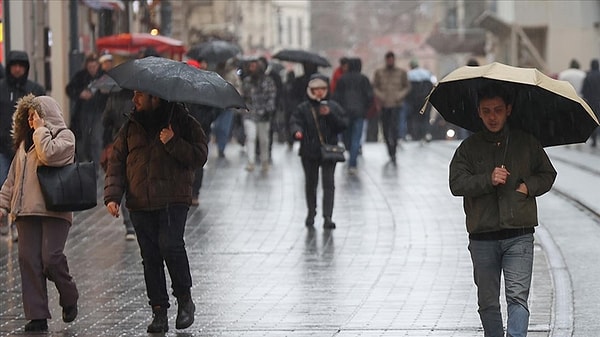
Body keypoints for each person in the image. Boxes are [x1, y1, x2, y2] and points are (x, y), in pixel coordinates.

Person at [449, 82, 557, 337]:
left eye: (498, 110)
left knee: (517, 297)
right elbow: (456, 183)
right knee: (487, 302)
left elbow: (547, 174)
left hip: (518, 234)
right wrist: (488, 178)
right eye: (486, 111)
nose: (492, 117)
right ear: (478, 112)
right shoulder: (468, 148)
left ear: (508, 109)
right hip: (482, 235)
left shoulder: (526, 142)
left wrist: (527, 187)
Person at [104, 90, 208, 333]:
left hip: (173, 198)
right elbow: (117, 161)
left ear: (156, 98)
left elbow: (199, 155)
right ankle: (159, 310)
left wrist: (173, 141)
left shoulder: (182, 120)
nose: (134, 99)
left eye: (140, 95)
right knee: (150, 257)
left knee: (171, 246)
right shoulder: (131, 125)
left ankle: (184, 300)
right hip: (140, 201)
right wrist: (112, 196)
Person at [0, 94, 79, 332]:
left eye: (36, 115)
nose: (32, 120)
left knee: (51, 259)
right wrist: (3, 205)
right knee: (29, 262)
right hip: (26, 212)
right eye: (29, 117)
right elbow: (12, 180)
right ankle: (37, 315)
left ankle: (69, 296)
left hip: (54, 210)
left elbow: (49, 155)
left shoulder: (65, 137)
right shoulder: (24, 145)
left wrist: (41, 131)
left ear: (47, 116)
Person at [289, 74, 348, 229]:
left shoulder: (333, 106)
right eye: (316, 89)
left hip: (329, 151)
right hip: (309, 151)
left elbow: (343, 124)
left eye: (322, 89)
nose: (319, 92)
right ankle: (311, 211)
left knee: (329, 184)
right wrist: (297, 132)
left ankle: (327, 216)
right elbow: (295, 121)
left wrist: (330, 115)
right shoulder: (303, 108)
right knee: (311, 183)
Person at [0, 50, 45, 240]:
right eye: (14, 65)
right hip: (2, 147)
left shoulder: (34, 89)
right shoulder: (1, 89)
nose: (17, 69)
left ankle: (18, 222)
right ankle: (3, 217)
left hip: (27, 148)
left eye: (21, 66)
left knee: (25, 187)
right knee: (4, 183)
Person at [101, 88, 136, 240]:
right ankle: (133, 222)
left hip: (119, 141)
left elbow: (105, 121)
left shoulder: (114, 97)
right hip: (136, 145)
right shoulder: (146, 96)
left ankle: (129, 224)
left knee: (124, 180)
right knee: (134, 181)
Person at [332, 57, 373, 174]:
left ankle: (351, 154)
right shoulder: (364, 79)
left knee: (347, 137)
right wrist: (365, 108)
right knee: (356, 137)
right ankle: (352, 163)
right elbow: (370, 96)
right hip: (359, 113)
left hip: (345, 113)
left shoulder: (342, 79)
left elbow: (336, 96)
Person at [65, 53, 105, 164]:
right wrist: (80, 94)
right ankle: (83, 164)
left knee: (96, 140)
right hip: (82, 113)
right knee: (83, 140)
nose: (92, 69)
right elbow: (69, 89)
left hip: (99, 112)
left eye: (94, 66)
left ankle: (95, 166)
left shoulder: (104, 77)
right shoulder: (80, 76)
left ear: (98, 65)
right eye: (90, 66)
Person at [372, 51, 410, 164]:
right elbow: (374, 86)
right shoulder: (379, 73)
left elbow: (407, 86)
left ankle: (394, 151)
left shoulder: (401, 73)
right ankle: (389, 149)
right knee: (385, 129)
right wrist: (381, 96)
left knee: (395, 129)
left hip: (397, 105)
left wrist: (400, 95)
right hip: (384, 105)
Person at [241, 58, 277, 172]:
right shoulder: (247, 81)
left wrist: (268, 109)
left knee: (264, 140)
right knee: (250, 137)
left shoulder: (268, 81)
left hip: (263, 115)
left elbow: (272, 96)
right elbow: (243, 96)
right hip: (250, 113)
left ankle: (264, 161)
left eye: (254, 66)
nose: (252, 69)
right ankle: (250, 161)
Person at [405, 59, 434, 142]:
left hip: (413, 100)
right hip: (425, 99)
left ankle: (412, 134)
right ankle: (426, 133)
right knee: (425, 117)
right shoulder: (427, 73)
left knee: (412, 117)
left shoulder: (409, 75)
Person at [581, 59, 600, 147]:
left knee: (592, 119)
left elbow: (584, 90)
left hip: (590, 101)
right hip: (598, 101)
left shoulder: (588, 76)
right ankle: (596, 136)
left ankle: (593, 137)